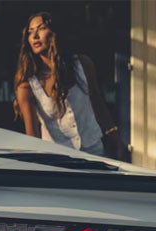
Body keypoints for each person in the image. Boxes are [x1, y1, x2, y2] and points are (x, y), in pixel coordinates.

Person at [13, 12, 129, 161]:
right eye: (30, 32)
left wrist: (115, 138)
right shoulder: (27, 85)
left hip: (95, 155)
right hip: (57, 162)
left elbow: (98, 105)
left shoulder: (82, 65)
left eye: (41, 28)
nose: (35, 35)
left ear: (55, 33)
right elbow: (33, 136)